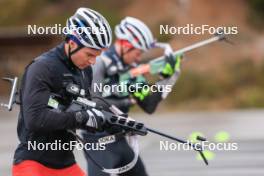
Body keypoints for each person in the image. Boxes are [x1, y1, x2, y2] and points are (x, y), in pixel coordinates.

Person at [12, 7, 112, 176]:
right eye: (89, 54)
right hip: (33, 162)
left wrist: (107, 123)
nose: (93, 61)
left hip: (65, 162)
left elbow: (80, 111)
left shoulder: (84, 70)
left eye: (97, 55)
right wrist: (81, 117)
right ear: (72, 43)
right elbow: (35, 119)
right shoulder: (42, 68)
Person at [83, 17, 182, 176]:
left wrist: (167, 78)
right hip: (99, 142)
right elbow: (92, 104)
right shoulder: (99, 63)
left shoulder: (132, 71)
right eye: (138, 52)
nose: (138, 58)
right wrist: (126, 99)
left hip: (122, 140)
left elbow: (149, 105)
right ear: (126, 45)